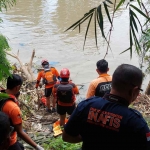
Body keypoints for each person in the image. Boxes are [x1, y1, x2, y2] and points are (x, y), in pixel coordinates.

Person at [62, 64, 150, 150]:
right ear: (134, 90)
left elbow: (66, 136)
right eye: (139, 90)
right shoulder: (136, 122)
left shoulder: (86, 105)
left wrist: (86, 137)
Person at [1, 74, 44, 150]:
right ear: (17, 87)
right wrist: (37, 146)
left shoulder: (1, 96)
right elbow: (20, 132)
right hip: (9, 141)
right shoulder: (13, 107)